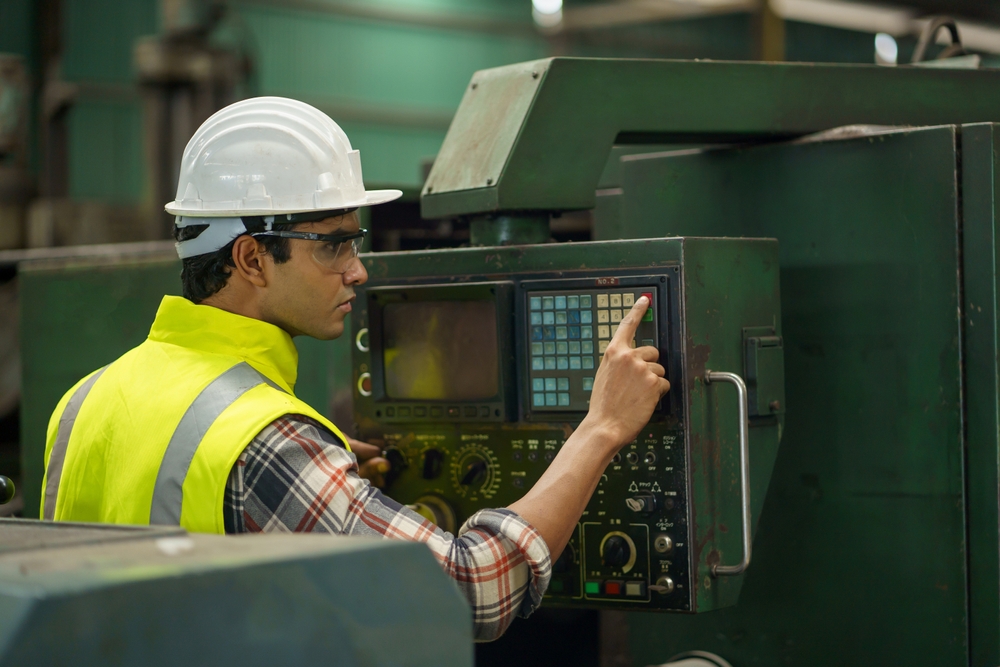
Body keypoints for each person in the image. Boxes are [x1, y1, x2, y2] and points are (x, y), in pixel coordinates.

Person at [40, 97, 670, 641]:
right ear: (252, 258)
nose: (358, 270)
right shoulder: (265, 441)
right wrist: (600, 428)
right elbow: (474, 590)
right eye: (334, 244)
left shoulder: (85, 399)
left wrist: (319, 473)